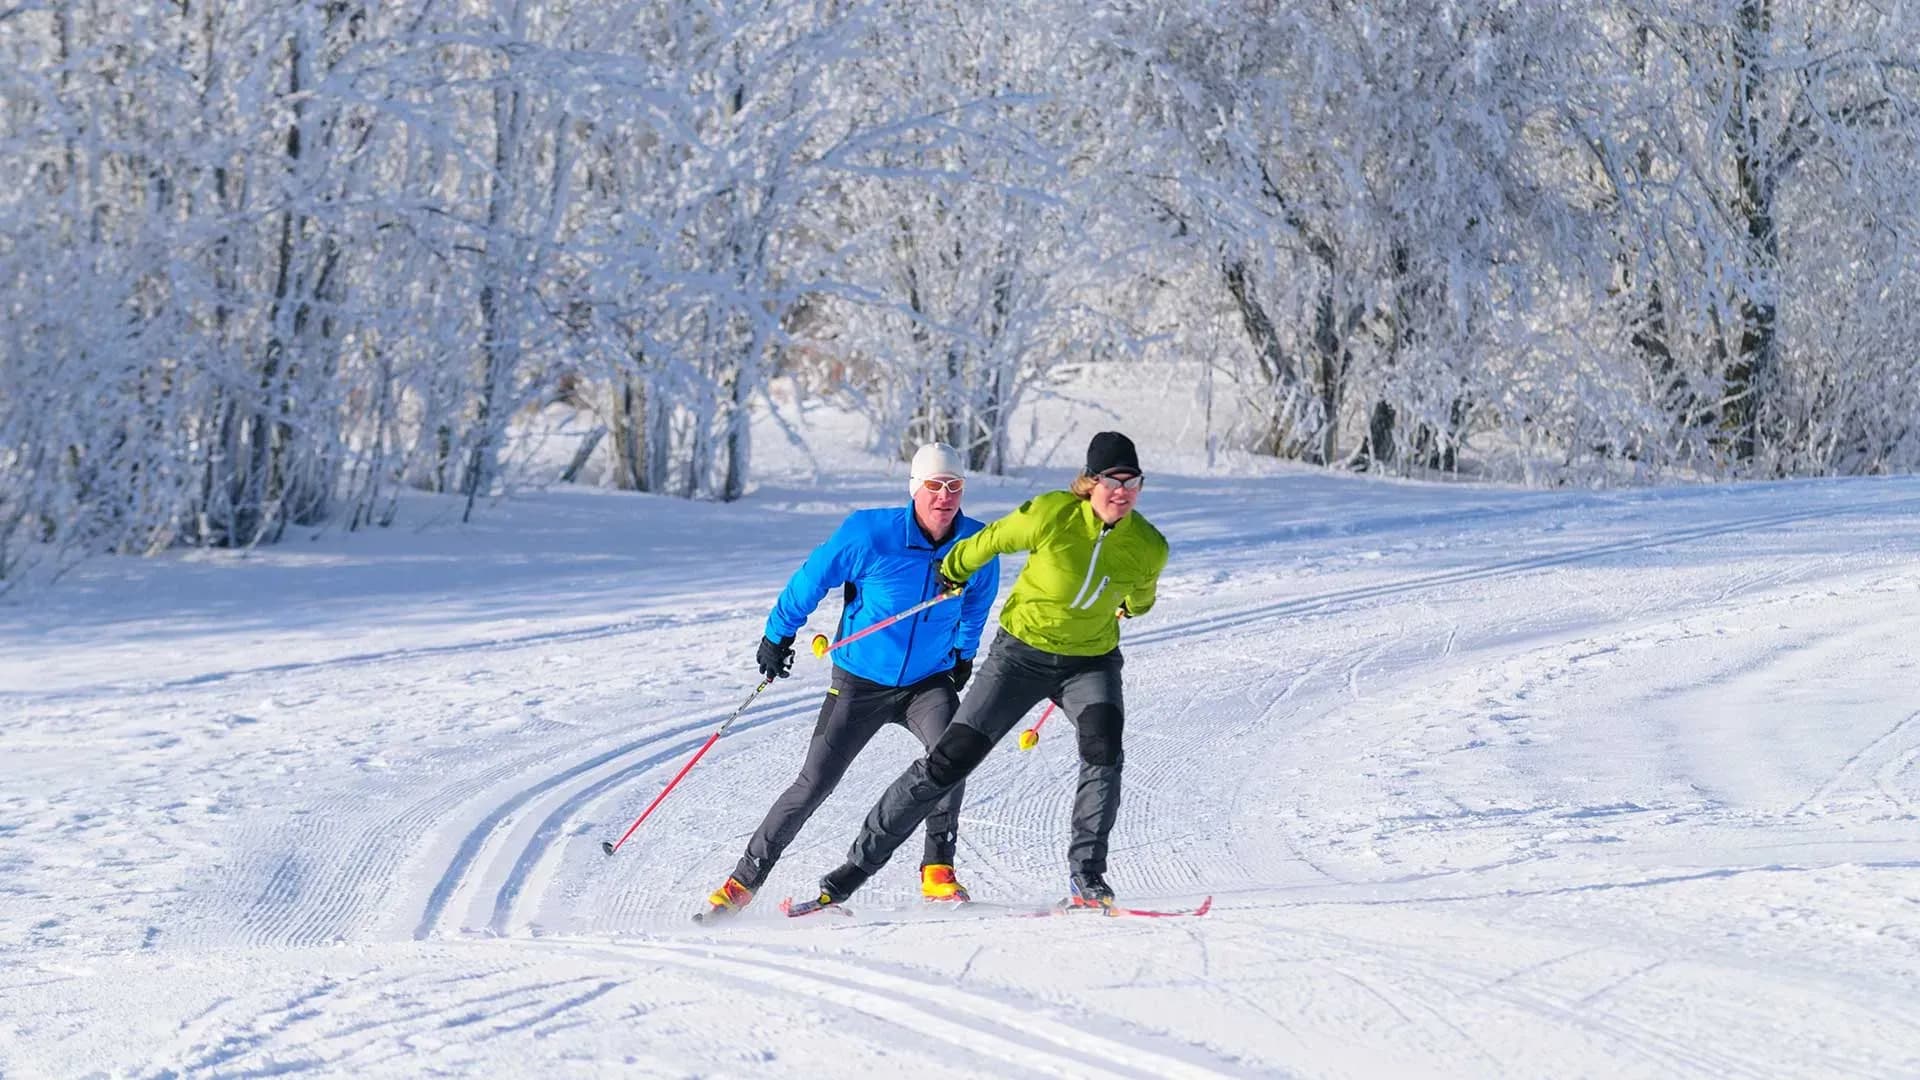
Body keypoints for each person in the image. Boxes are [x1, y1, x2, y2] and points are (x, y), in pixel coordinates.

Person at [798, 430, 1168, 913]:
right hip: (1020, 656)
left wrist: (1130, 607)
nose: (1122, 492)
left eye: (1131, 482)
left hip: (1090, 661)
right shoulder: (1052, 514)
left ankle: (1088, 878)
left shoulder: (1148, 545)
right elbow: (991, 540)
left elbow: (1141, 594)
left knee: (1104, 752)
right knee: (948, 761)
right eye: (1111, 481)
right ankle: (849, 875)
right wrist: (953, 567)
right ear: (1089, 483)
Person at [699, 442, 1001, 920]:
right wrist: (777, 635)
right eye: (934, 486)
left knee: (951, 757)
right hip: (860, 680)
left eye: (954, 486)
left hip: (927, 682)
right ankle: (742, 882)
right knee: (815, 782)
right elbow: (811, 579)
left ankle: (938, 871)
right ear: (915, 489)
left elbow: (977, 606)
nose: (945, 496)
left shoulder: (977, 545)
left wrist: (963, 655)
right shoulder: (870, 533)